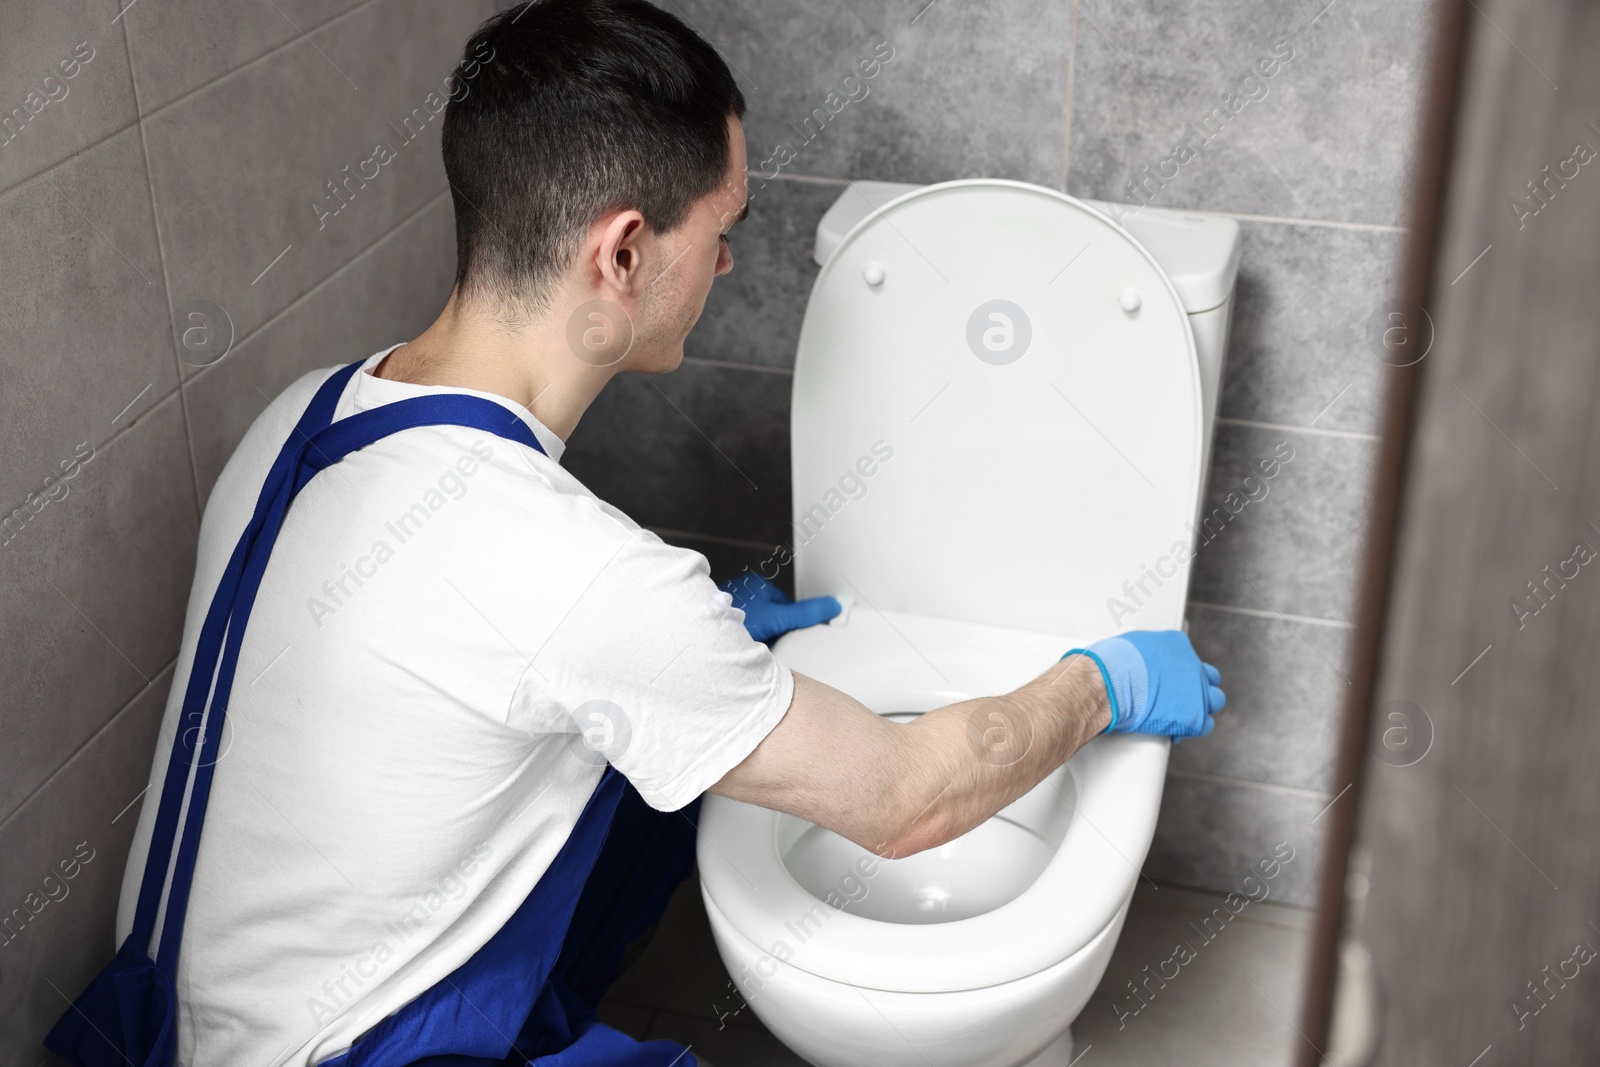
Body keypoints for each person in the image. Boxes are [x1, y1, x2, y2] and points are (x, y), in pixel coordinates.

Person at [101, 2, 1224, 1065]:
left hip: (174, 1025)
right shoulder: (581, 577)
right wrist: (1096, 680)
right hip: (351, 1047)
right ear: (622, 253)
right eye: (721, 231)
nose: (728, 267)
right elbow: (905, 798)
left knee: (653, 766)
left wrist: (704, 639)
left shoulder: (302, 415)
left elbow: (490, 646)